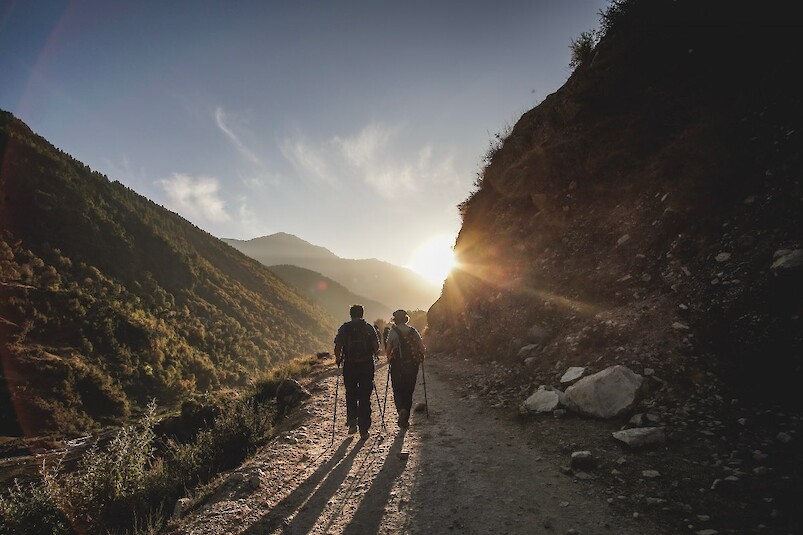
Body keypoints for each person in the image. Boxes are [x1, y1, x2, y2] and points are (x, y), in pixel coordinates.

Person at [334, 304, 380, 440]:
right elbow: (376, 347)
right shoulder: (368, 328)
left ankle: (352, 421)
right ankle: (364, 429)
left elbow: (337, 346)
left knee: (351, 393)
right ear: (362, 314)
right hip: (366, 364)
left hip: (349, 365)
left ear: (350, 314)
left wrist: (338, 359)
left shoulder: (344, 328)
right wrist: (375, 353)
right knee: (365, 396)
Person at [385, 309, 425, 428]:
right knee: (409, 390)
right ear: (406, 319)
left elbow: (388, 349)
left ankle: (401, 409)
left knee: (398, 389)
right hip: (412, 365)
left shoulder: (393, 332)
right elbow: (422, 348)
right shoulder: (413, 331)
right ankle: (405, 415)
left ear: (395, 320)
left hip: (397, 365)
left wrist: (389, 359)